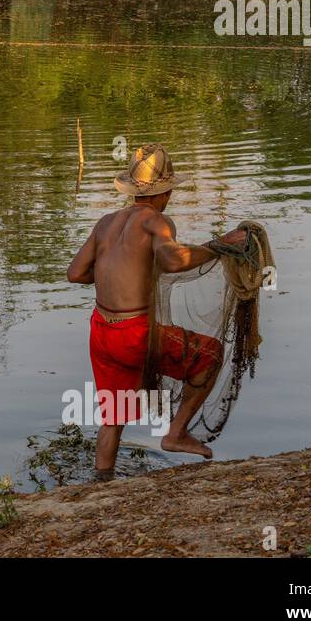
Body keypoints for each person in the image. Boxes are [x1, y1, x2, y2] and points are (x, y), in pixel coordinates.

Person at [65, 143, 247, 478]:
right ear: (164, 192)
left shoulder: (106, 222)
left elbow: (75, 273)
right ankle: (176, 433)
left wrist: (114, 273)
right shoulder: (157, 222)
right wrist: (218, 245)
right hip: (134, 334)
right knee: (210, 354)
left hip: (101, 332)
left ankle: (101, 483)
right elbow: (173, 260)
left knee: (113, 418)